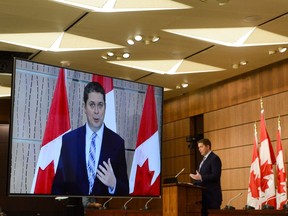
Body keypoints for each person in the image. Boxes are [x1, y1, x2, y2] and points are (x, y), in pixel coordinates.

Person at [52, 81, 129, 196]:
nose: (96, 111)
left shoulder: (117, 143)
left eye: (100, 105)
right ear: (84, 107)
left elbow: (125, 191)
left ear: (105, 107)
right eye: (92, 105)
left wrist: (114, 184)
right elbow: (58, 188)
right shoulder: (69, 141)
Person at [189, 138, 222, 216]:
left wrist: (201, 177)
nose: (199, 149)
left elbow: (216, 175)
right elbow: (202, 178)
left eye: (201, 147)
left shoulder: (214, 158)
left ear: (208, 147)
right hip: (203, 198)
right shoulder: (203, 160)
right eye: (198, 147)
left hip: (212, 197)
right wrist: (194, 184)